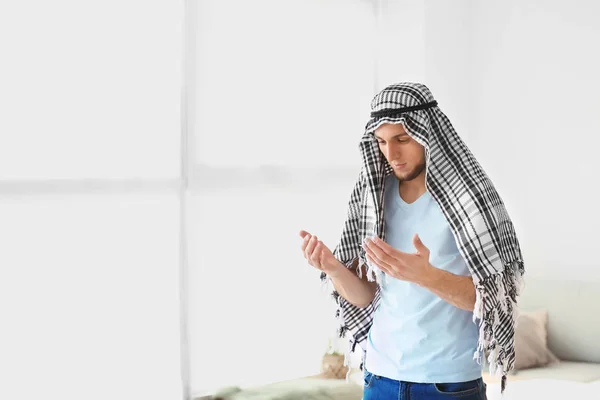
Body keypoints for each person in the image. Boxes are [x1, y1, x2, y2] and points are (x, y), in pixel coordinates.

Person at [299, 82, 524, 400]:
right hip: (379, 379)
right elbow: (366, 298)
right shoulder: (374, 197)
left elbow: (494, 300)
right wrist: (334, 269)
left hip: (447, 385)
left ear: (427, 132)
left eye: (402, 139)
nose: (391, 153)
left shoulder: (469, 199)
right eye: (382, 142)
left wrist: (426, 276)